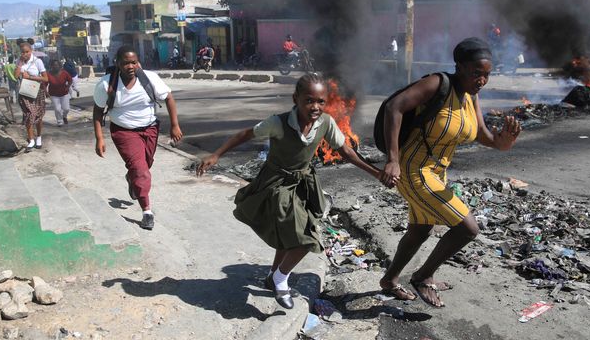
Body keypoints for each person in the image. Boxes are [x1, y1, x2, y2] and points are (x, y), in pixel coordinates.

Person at [196, 73, 385, 309]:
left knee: (290, 237)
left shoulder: (325, 122)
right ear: (295, 98)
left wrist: (376, 173)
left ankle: (272, 277)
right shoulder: (278, 123)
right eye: (309, 100)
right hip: (276, 184)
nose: (315, 107)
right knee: (306, 239)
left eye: (321, 102)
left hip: (302, 184)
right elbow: (244, 134)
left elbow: (346, 151)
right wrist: (216, 154)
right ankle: (280, 279)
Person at [378, 37, 521, 307]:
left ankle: (389, 280)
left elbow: (481, 134)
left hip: (436, 172)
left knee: (421, 228)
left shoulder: (471, 97)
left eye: (487, 75)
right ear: (460, 66)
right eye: (476, 73)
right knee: (468, 228)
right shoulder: (437, 84)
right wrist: (392, 159)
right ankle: (423, 276)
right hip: (413, 168)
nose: (482, 80)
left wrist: (501, 143)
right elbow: (393, 107)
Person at [93, 45, 183, 230]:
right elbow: (97, 111)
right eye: (126, 63)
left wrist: (175, 125)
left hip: (150, 129)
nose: (131, 66)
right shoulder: (106, 84)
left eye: (134, 62)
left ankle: (131, 178)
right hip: (124, 131)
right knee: (141, 170)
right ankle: (147, 212)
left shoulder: (149, 78)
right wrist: (99, 138)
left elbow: (169, 98)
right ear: (118, 63)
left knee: (145, 165)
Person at [15, 42, 48, 152]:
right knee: (29, 115)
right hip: (25, 92)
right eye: (23, 52)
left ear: (31, 51)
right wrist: (19, 64)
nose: (25, 54)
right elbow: (15, 76)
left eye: (27, 52)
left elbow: (45, 78)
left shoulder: (37, 61)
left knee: (38, 115)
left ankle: (38, 137)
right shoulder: (19, 62)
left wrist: (30, 77)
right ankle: (31, 139)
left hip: (37, 91)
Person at [46, 59, 73, 126]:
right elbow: (44, 84)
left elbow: (70, 80)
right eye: (54, 65)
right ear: (51, 66)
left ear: (60, 66)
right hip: (53, 94)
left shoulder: (64, 73)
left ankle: (64, 116)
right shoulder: (48, 74)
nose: (55, 66)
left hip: (64, 93)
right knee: (57, 109)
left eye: (57, 65)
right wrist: (45, 92)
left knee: (66, 109)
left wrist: (68, 87)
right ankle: (59, 121)